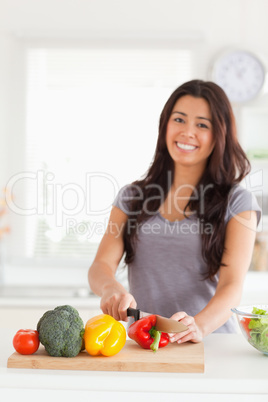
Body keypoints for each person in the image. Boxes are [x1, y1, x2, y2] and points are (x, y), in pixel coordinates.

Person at [88, 79, 261, 344]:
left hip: (210, 345)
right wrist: (110, 287)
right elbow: (100, 265)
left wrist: (198, 327)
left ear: (218, 136)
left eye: (202, 124)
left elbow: (232, 286)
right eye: (179, 120)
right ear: (165, 125)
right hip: (144, 343)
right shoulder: (131, 197)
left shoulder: (238, 203)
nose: (187, 132)